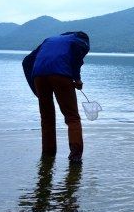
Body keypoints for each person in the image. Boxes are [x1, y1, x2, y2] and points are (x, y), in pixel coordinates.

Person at [22, 31, 90, 163]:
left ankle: (48, 154)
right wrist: (77, 79)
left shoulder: (49, 40)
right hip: (61, 74)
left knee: (46, 118)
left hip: (38, 75)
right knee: (72, 117)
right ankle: (75, 157)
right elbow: (76, 59)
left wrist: (36, 89)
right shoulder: (80, 40)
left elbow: (27, 61)